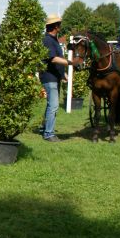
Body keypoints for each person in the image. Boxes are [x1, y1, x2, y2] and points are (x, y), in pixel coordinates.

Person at [40, 14, 73, 142]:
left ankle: (44, 128)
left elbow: (55, 60)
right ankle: (49, 133)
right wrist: (70, 62)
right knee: (53, 105)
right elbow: (53, 59)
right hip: (49, 78)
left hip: (54, 77)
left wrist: (63, 74)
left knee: (51, 105)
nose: (60, 26)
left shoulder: (54, 40)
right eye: (59, 24)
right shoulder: (48, 40)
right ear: (55, 26)